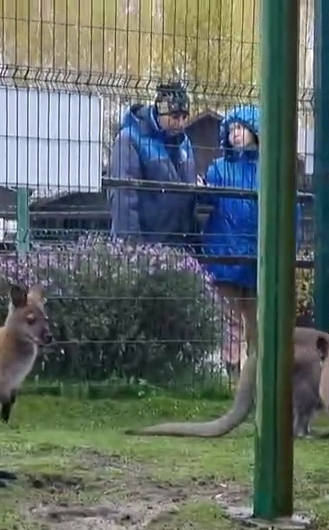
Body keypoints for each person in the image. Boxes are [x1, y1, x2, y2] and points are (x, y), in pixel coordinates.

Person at [200, 105, 262, 371]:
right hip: (223, 253)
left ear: (255, 132)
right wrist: (201, 191)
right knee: (229, 319)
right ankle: (232, 369)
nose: (235, 134)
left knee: (258, 319)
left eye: (241, 128)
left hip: (257, 256)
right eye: (231, 129)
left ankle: (259, 369)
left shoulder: (268, 169)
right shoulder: (218, 169)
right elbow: (207, 202)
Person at [106, 81, 199, 249]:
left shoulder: (184, 143)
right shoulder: (130, 139)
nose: (180, 124)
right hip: (145, 247)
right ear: (159, 113)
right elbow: (124, 199)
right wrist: (132, 248)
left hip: (179, 246)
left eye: (185, 117)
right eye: (174, 117)